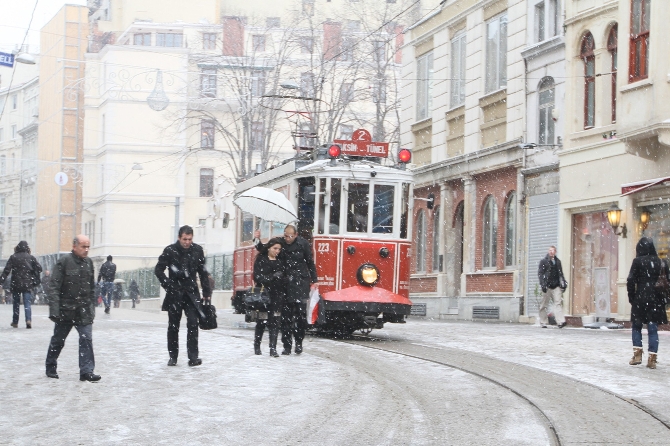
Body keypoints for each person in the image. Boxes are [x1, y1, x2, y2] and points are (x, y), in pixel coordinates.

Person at [255, 224, 318, 355]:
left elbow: (310, 262)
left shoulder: (303, 244)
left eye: (290, 236)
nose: (287, 238)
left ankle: (299, 342)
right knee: (286, 317)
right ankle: (287, 345)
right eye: (285, 235)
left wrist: (315, 280)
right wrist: (257, 240)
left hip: (300, 282)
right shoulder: (281, 243)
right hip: (285, 283)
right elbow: (266, 249)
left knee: (300, 315)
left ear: (296, 235)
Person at [45, 235, 101, 382]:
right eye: (83, 246)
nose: (86, 250)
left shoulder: (89, 263)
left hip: (84, 310)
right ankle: (50, 366)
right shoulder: (64, 262)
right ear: (74, 246)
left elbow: (91, 287)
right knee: (58, 340)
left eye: (88, 246)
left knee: (86, 339)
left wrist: (91, 306)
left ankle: (86, 371)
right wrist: (55, 311)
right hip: (66, 310)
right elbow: (54, 287)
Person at [155, 225, 212, 367]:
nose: (187, 242)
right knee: (173, 326)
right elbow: (158, 269)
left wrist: (206, 293)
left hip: (192, 293)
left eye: (190, 239)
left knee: (193, 324)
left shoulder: (197, 250)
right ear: (179, 238)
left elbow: (203, 272)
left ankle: (193, 357)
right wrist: (167, 284)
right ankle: (173, 356)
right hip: (175, 293)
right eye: (184, 239)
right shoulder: (170, 251)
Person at [627, 237, 669, 369]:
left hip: (640, 296)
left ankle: (637, 355)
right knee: (652, 328)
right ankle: (652, 359)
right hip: (656, 298)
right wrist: (666, 300)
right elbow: (667, 281)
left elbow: (630, 280)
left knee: (637, 326)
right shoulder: (661, 262)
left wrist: (632, 297)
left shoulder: (637, 261)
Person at [253, 238, 285, 357]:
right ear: (269, 248)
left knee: (275, 322)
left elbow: (283, 277)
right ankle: (257, 345)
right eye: (275, 248)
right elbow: (257, 277)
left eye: (279, 249)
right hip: (263, 294)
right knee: (261, 320)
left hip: (277, 295)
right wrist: (272, 277)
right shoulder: (261, 260)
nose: (277, 251)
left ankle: (273, 348)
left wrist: (284, 278)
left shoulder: (280, 261)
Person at [1, 241, 42, 329]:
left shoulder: (13, 257)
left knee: (16, 303)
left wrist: (1, 280)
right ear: (27, 248)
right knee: (27, 302)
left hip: (16, 283)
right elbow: (39, 268)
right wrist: (32, 272)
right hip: (27, 283)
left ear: (18, 247)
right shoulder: (30, 257)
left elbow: (6, 270)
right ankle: (28, 320)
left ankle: (15, 322)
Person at [537, 245, 567, 329]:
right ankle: (543, 321)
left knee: (558, 303)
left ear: (555, 252)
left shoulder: (558, 262)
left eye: (553, 250)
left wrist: (563, 283)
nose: (551, 252)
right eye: (550, 250)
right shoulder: (544, 261)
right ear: (548, 251)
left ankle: (560, 321)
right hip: (547, 285)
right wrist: (542, 284)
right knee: (544, 304)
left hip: (556, 285)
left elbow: (560, 273)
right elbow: (540, 274)